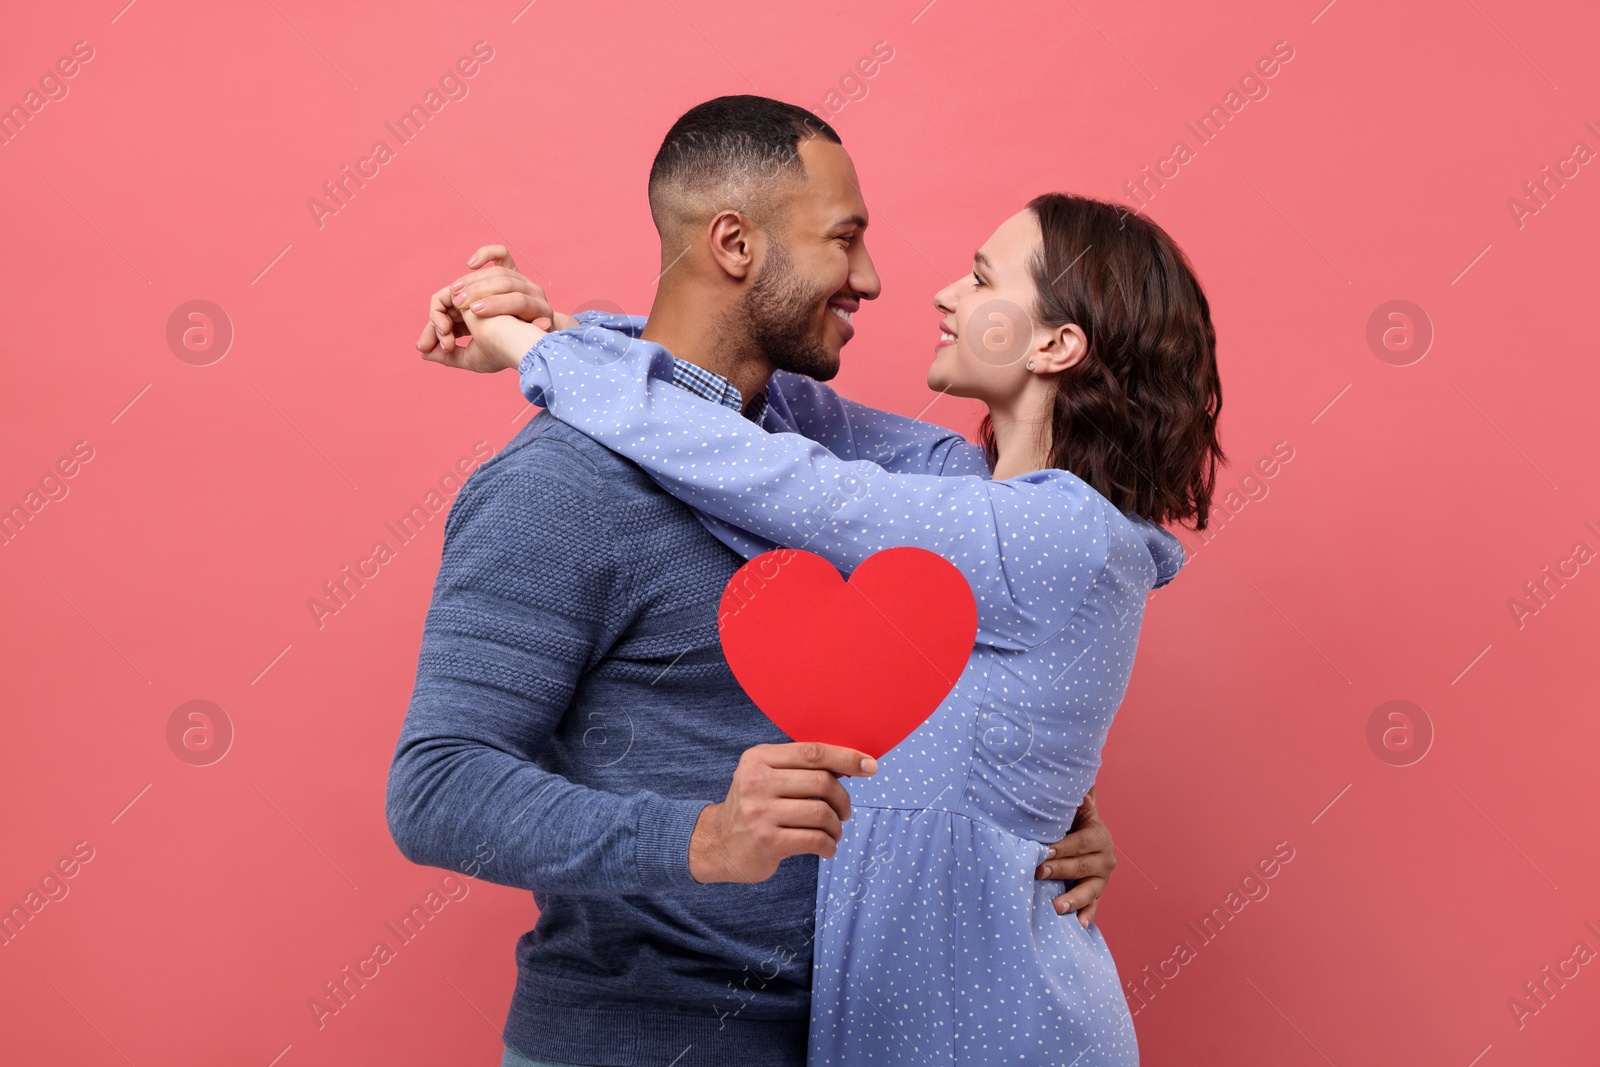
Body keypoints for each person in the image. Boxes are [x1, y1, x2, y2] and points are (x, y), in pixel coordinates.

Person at [386, 96, 1121, 1067]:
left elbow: (946, 656)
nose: (871, 278)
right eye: (845, 240)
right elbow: (435, 787)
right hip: (638, 1039)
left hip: (848, 1035)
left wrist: (1031, 810)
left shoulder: (802, 462)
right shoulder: (559, 483)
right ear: (734, 243)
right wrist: (700, 837)